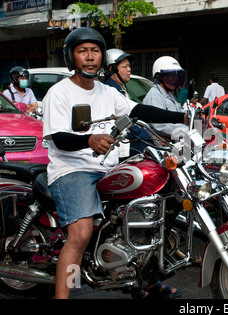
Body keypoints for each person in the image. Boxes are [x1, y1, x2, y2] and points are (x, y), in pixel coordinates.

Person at [42, 27, 186, 299]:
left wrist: (183, 118)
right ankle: (64, 295)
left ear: (102, 57)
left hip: (109, 168)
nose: (89, 57)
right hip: (73, 169)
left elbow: (138, 110)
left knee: (146, 216)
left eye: (95, 51)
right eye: (82, 51)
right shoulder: (58, 93)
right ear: (71, 57)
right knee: (80, 235)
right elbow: (59, 138)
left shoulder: (107, 92)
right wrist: (89, 140)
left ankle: (145, 283)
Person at [143, 56, 188, 141]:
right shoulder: (154, 96)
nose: (175, 79)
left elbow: (180, 114)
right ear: (158, 76)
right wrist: (187, 131)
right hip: (165, 147)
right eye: (170, 76)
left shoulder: (169, 95)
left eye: (176, 76)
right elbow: (160, 126)